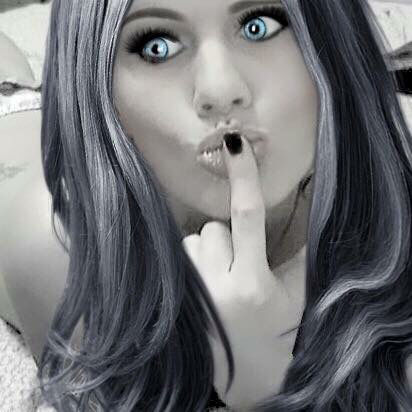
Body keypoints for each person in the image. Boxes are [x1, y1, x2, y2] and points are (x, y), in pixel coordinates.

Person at [1, 0, 412, 410]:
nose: (220, 91)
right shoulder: (62, 244)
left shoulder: (391, 207)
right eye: (157, 46)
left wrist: (267, 386)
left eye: (259, 25)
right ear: (97, 86)